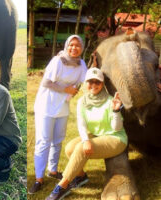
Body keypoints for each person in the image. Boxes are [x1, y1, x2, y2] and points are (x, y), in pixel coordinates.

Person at [46, 67, 128, 200]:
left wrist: (116, 111)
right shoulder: (82, 102)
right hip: (98, 135)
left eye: (98, 82)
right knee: (70, 148)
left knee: (80, 150)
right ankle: (80, 177)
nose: (94, 85)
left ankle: (62, 186)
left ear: (102, 84)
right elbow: (81, 124)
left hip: (116, 138)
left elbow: (117, 128)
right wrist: (86, 140)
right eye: (91, 81)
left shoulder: (110, 101)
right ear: (85, 83)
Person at [29, 35, 87, 194]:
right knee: (44, 141)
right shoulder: (58, 61)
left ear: (82, 47)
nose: (74, 48)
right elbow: (46, 83)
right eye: (71, 45)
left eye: (77, 45)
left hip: (63, 107)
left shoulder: (81, 64)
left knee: (58, 140)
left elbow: (84, 81)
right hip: (46, 106)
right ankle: (38, 178)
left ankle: (52, 170)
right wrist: (66, 89)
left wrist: (74, 90)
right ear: (67, 46)